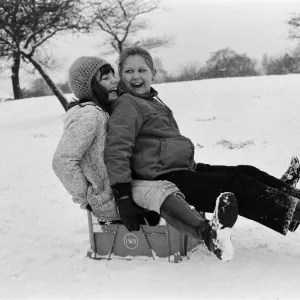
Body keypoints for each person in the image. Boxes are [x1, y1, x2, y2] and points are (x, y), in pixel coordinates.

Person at [103, 46, 300, 261]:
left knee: (246, 172)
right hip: (164, 176)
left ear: (153, 73)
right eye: (128, 71)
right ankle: (294, 211)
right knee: (237, 184)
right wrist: (122, 194)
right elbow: (116, 150)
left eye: (142, 70)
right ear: (120, 76)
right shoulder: (127, 104)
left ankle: (289, 198)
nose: (136, 76)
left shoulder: (150, 100)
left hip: (181, 168)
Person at [52, 55, 241, 262]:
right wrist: (86, 198)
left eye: (113, 75)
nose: (115, 80)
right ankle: (208, 233)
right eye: (105, 78)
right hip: (107, 193)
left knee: (165, 187)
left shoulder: (103, 110)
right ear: (90, 88)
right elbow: (63, 161)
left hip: (121, 184)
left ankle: (209, 231)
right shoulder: (89, 115)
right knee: (160, 192)